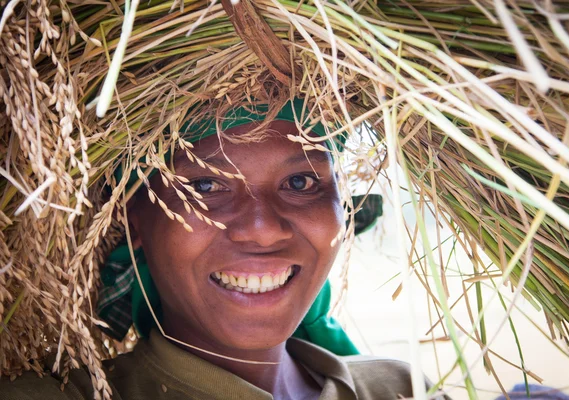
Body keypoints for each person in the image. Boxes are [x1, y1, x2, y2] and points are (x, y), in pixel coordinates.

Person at [0, 100, 446, 400]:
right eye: (205, 186)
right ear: (132, 221)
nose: (263, 230)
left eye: (300, 182)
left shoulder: (399, 389)